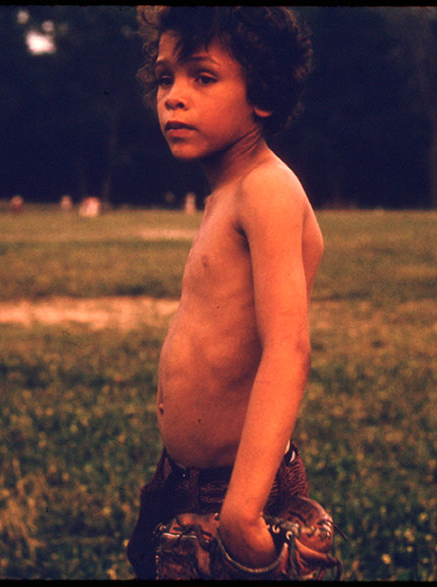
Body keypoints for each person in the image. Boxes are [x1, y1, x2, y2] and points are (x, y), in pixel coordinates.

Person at [126, 6, 321, 579]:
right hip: (183, 484)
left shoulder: (266, 189)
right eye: (166, 77)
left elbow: (288, 348)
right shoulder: (227, 194)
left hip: (234, 495)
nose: (174, 96)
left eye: (202, 77)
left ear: (262, 95)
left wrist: (240, 513)